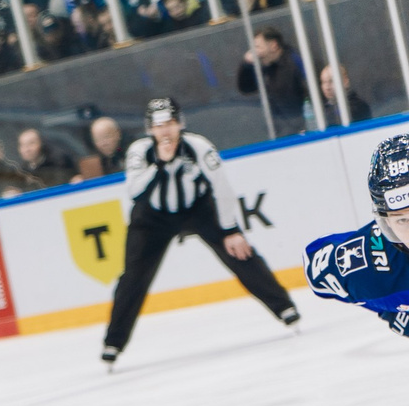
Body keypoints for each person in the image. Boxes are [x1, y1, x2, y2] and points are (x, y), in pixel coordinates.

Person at [100, 97, 301, 367]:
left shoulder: (199, 146)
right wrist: (161, 162)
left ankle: (284, 307)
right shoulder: (139, 151)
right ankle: (113, 343)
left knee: (239, 252)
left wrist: (230, 229)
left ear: (180, 123)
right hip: (152, 217)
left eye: (170, 123)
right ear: (150, 129)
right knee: (133, 277)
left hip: (198, 209)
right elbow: (135, 191)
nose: (165, 131)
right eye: (159, 126)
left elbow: (223, 188)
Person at [303, 133, 409, 342]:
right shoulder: (371, 272)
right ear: (385, 224)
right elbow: (318, 268)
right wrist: (393, 311)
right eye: (402, 220)